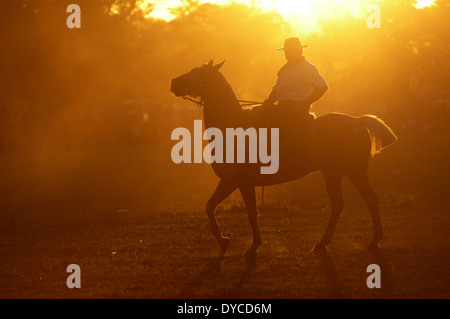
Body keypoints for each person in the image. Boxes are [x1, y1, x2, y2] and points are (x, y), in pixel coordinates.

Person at [264, 37, 328, 115]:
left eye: (290, 51)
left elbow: (322, 87)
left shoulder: (308, 68)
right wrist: (269, 101)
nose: (287, 54)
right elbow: (277, 90)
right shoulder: (284, 70)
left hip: (298, 113)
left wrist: (306, 103)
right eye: (286, 52)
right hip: (281, 110)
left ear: (299, 51)